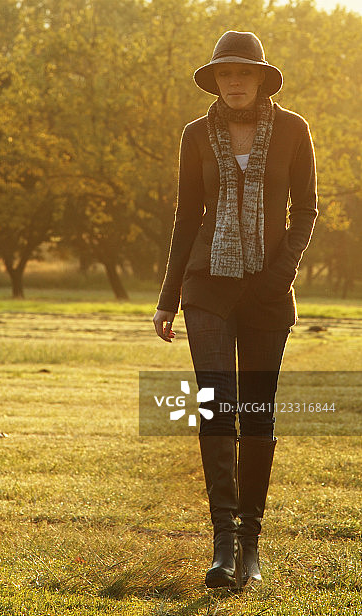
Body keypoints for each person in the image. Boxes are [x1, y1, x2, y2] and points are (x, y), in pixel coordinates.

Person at [152, 30, 318, 590]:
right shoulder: (196, 135)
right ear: (216, 81)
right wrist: (168, 298)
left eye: (244, 72)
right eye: (225, 73)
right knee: (217, 407)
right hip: (207, 288)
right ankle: (223, 543)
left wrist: (280, 273)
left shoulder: (294, 130)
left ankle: (250, 543)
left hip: (268, 291)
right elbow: (186, 217)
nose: (235, 81)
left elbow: (306, 210)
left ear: (262, 78)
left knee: (257, 412)